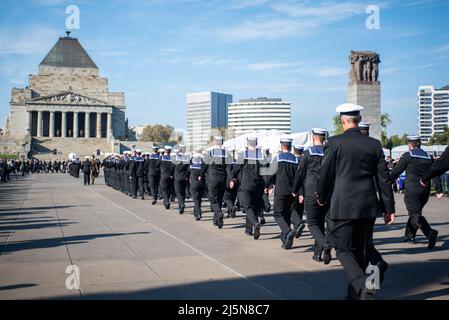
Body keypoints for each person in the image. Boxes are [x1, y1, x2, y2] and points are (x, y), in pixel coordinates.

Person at [317, 103, 395, 300]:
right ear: (359, 121)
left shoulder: (334, 143)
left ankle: (364, 286)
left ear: (343, 121)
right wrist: (389, 208)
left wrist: (321, 196)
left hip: (343, 205)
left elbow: (324, 174)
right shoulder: (374, 145)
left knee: (343, 249)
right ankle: (359, 291)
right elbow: (383, 180)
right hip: (368, 206)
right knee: (362, 251)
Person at [390, 136, 439, 248]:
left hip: (413, 190)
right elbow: (435, 172)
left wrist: (387, 182)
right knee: (415, 213)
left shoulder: (408, 155)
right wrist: (438, 189)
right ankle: (409, 236)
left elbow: (397, 171)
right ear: (419, 144)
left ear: (410, 145)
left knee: (415, 213)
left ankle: (430, 232)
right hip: (425, 190)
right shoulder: (429, 156)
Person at [293, 128, 332, 262]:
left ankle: (325, 244)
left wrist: (295, 189)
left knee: (312, 223)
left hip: (311, 191)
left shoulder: (308, 153)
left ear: (314, 137)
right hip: (326, 192)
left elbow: (300, 173)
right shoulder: (329, 152)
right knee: (320, 221)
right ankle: (317, 253)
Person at [231, 137, 268, 239]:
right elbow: (267, 169)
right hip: (259, 185)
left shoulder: (243, 154)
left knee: (247, 206)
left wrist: (233, 178)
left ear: (248, 143)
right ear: (256, 143)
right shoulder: (261, 155)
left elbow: (236, 168)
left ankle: (255, 223)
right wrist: (268, 184)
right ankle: (248, 229)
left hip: (247, 184)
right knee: (254, 207)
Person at [267, 138, 299, 250]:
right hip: (291, 192)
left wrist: (268, 185)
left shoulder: (278, 158)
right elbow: (298, 177)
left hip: (280, 190)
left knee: (277, 214)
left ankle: (287, 231)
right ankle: (286, 241)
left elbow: (271, 173)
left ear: (281, 146)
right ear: (290, 146)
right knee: (287, 215)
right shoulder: (295, 160)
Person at [201, 136, 230, 229]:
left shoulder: (211, 153)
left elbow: (204, 165)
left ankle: (218, 213)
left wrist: (200, 175)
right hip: (223, 179)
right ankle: (216, 220)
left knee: (213, 200)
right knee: (220, 199)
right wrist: (230, 179)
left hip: (212, 179)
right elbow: (229, 168)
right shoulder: (227, 154)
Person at [173, 145, 190, 214]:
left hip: (177, 177)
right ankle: (181, 205)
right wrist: (187, 176)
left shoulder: (175, 158)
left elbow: (172, 167)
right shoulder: (186, 158)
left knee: (178, 192)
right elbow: (189, 169)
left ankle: (181, 204)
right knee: (182, 192)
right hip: (184, 177)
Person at [189, 152, 205, 221]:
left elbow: (187, 173)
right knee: (199, 199)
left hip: (194, 185)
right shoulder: (203, 167)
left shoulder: (191, 166)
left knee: (196, 200)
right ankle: (196, 211)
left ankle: (198, 213)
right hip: (202, 184)